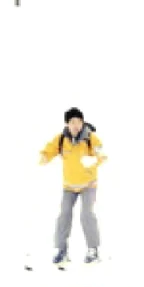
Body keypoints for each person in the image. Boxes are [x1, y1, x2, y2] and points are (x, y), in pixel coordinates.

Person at [38, 108, 107, 265]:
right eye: (73, 122)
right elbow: (49, 149)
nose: (76, 125)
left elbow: (102, 154)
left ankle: (93, 250)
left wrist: (94, 160)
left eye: (79, 122)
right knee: (64, 215)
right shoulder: (61, 139)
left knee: (86, 214)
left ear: (83, 123)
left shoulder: (90, 138)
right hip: (69, 186)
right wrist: (44, 156)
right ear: (67, 124)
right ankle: (61, 250)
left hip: (88, 184)